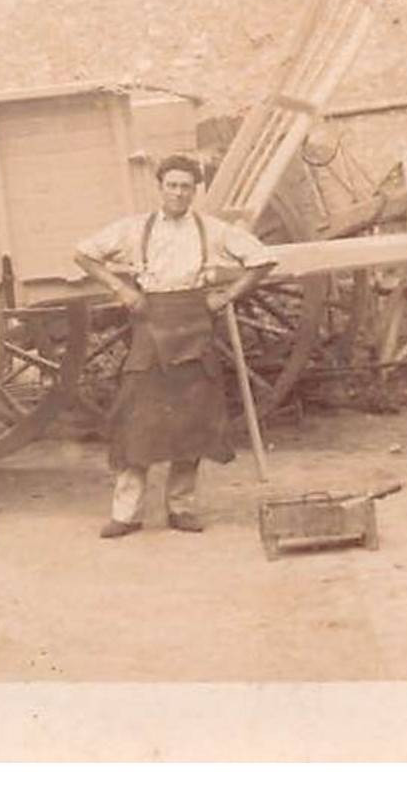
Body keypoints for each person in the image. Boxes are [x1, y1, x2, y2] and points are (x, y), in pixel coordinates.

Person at [73, 154, 276, 538]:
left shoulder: (212, 230)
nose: (179, 193)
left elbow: (263, 260)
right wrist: (120, 288)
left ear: (195, 191)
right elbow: (83, 252)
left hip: (195, 325)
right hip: (151, 322)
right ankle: (127, 513)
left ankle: (181, 508)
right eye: (172, 185)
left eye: (186, 187)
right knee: (138, 419)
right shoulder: (135, 229)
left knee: (192, 419)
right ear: (161, 187)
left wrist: (226, 297)